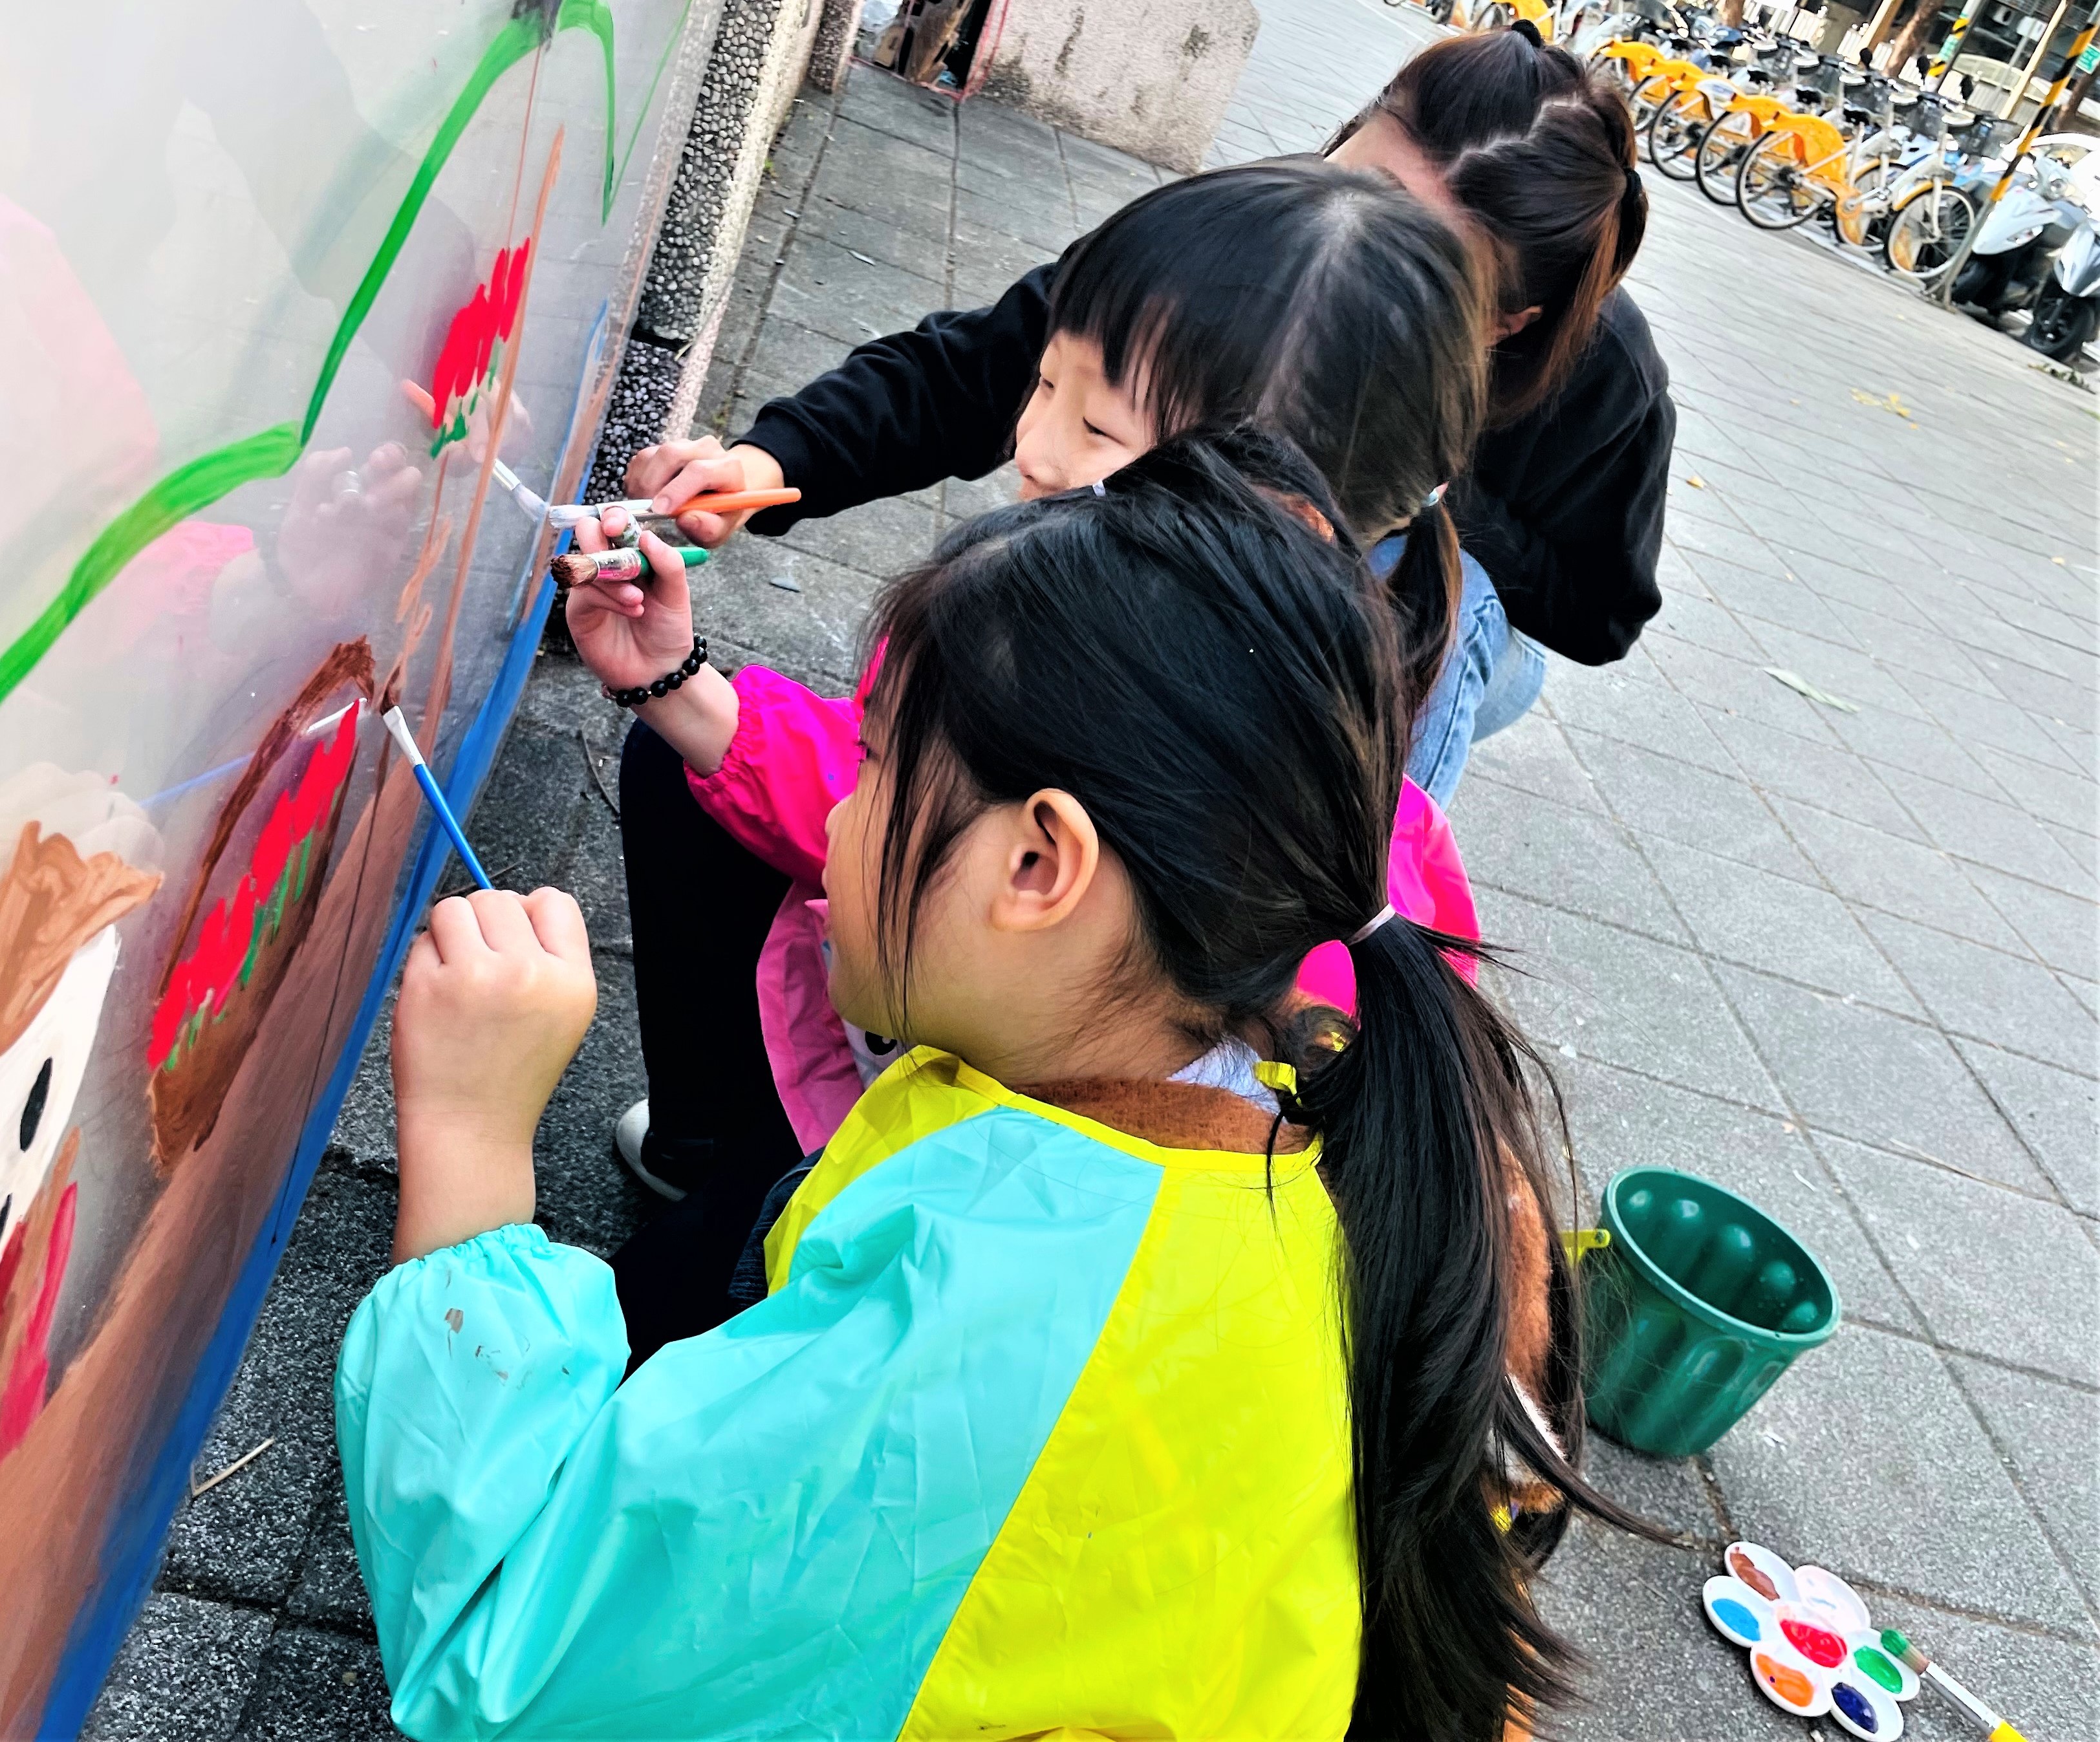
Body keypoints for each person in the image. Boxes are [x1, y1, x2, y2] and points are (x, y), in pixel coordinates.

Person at [339, 447, 1623, 1740]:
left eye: (877, 762)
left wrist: (469, 1139)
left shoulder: (991, 1339)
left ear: (1038, 866)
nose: (842, 814)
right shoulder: (1303, 1104)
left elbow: (506, 1645)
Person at [579, 162, 1494, 1352]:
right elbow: (880, 805)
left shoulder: (1184, 791)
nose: (1036, 447)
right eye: (1044, 384)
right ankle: (724, 1186)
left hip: (981, 1243)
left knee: (668, 1317)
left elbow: (877, 818)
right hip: (940, 1116)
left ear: (1285, 513)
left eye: (1099, 422)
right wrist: (677, 684)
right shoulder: (1122, 637)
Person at [633, 24, 1668, 756]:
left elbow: (1602, 610)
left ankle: (1351, 920)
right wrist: (770, 462)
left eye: (1415, 264)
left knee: (1426, 616)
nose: (1339, 242)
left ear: (1508, 321)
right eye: (1348, 185)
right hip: (1237, 560)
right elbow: (987, 362)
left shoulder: (1604, 382)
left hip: (1427, 605)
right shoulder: (1264, 239)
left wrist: (1415, 487)